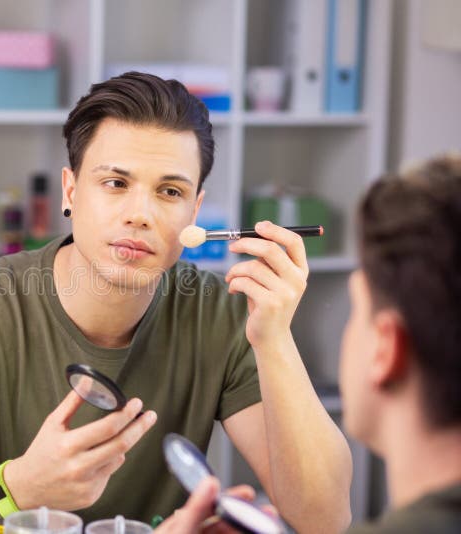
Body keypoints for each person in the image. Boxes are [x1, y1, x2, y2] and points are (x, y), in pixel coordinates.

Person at [0, 72, 352, 533]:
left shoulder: (225, 315)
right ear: (70, 190)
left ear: (195, 211)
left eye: (170, 191)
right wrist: (18, 487)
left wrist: (275, 339)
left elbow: (323, 520)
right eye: (116, 183)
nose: (140, 215)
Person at [155, 154, 461, 533]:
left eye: (356, 310)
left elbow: (324, 518)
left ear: (386, 348)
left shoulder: (216, 312)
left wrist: (274, 337)